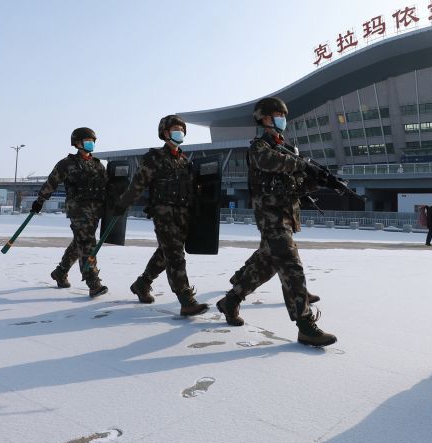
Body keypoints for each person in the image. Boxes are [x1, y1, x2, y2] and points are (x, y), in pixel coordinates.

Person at [215, 97, 336, 347]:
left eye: (283, 115)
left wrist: (315, 179)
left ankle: (230, 300)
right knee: (291, 265)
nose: (282, 119)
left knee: (266, 264)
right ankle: (305, 326)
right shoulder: (260, 148)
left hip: (286, 216)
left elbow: (297, 188)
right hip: (270, 217)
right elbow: (270, 162)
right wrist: (302, 165)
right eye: (277, 115)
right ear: (265, 118)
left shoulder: (289, 149)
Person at [114, 115, 209, 317]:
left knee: (165, 254)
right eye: (175, 129)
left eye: (181, 129)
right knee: (175, 255)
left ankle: (142, 284)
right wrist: (123, 204)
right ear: (164, 133)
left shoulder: (185, 161)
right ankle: (186, 300)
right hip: (164, 214)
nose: (179, 132)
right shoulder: (154, 158)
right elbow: (137, 184)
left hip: (183, 215)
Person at [30, 127, 109, 298]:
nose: (91, 143)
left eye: (92, 140)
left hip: (95, 211)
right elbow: (52, 182)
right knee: (88, 244)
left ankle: (60, 272)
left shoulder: (98, 165)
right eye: (87, 140)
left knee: (79, 244)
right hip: (78, 210)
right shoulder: (67, 164)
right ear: (77, 143)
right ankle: (93, 282)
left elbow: (107, 187)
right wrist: (40, 201)